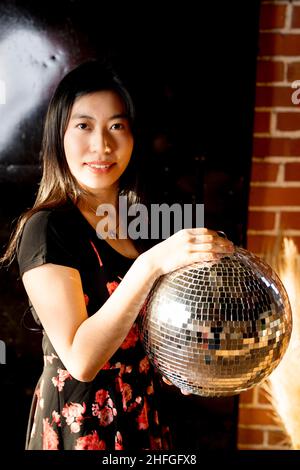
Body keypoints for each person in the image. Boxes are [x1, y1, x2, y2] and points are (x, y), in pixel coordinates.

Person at [1, 60, 234, 450]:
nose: (102, 146)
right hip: (84, 429)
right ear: (59, 134)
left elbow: (144, 332)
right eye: (83, 126)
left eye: (117, 126)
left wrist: (182, 364)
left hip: (141, 417)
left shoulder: (137, 224)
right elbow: (81, 359)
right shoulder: (46, 228)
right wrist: (152, 263)